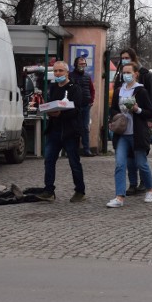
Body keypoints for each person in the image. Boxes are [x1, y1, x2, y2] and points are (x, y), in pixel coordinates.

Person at [107, 62, 152, 207]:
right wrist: (116, 117)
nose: (126, 75)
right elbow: (113, 109)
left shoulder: (141, 91)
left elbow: (149, 112)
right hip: (122, 133)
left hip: (137, 133)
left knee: (141, 164)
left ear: (136, 74)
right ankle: (119, 197)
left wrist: (137, 109)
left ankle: (150, 189)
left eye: (129, 72)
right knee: (120, 164)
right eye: (124, 72)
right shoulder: (118, 91)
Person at [38, 61, 86, 202]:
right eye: (55, 71)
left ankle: (80, 191)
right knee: (49, 160)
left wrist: (61, 114)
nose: (58, 73)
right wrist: (49, 111)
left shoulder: (74, 88)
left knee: (74, 162)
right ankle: (48, 190)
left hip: (70, 131)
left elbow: (77, 109)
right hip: (54, 130)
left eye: (60, 71)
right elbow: (51, 104)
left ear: (67, 72)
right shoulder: (53, 87)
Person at [71, 55, 96, 157]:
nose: (82, 65)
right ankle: (73, 150)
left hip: (86, 105)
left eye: (84, 64)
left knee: (85, 128)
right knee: (74, 128)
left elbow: (92, 90)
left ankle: (86, 150)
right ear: (76, 64)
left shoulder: (87, 76)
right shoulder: (70, 76)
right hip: (74, 106)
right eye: (80, 63)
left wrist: (91, 100)